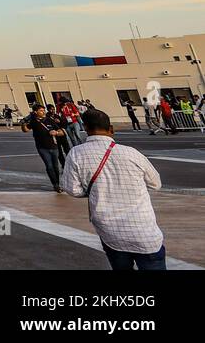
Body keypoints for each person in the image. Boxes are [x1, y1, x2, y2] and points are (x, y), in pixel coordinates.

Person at [61, 109, 165, 270]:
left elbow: (72, 189)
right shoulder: (131, 153)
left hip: (110, 232)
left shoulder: (76, 154)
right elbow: (155, 184)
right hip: (144, 230)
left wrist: (95, 190)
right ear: (111, 129)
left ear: (86, 128)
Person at [22, 103, 66, 191]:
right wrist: (23, 124)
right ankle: (55, 185)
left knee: (56, 166)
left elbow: (62, 131)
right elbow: (26, 130)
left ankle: (57, 182)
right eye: (41, 111)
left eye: (43, 110)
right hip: (42, 147)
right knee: (49, 166)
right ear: (35, 112)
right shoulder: (33, 121)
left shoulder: (49, 120)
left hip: (54, 146)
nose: (43, 112)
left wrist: (56, 133)